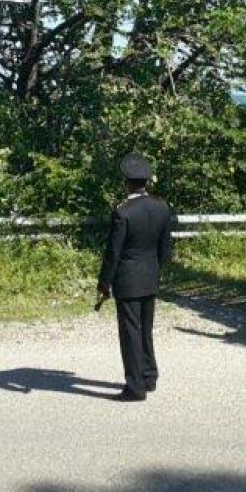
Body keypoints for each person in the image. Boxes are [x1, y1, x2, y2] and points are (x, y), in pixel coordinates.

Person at [97, 152, 177, 402]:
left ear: (126, 182)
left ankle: (135, 387)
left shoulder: (123, 212)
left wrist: (104, 283)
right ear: (146, 182)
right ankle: (149, 376)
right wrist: (155, 269)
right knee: (146, 330)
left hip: (128, 280)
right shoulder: (162, 206)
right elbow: (166, 248)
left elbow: (114, 252)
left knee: (130, 332)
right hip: (150, 276)